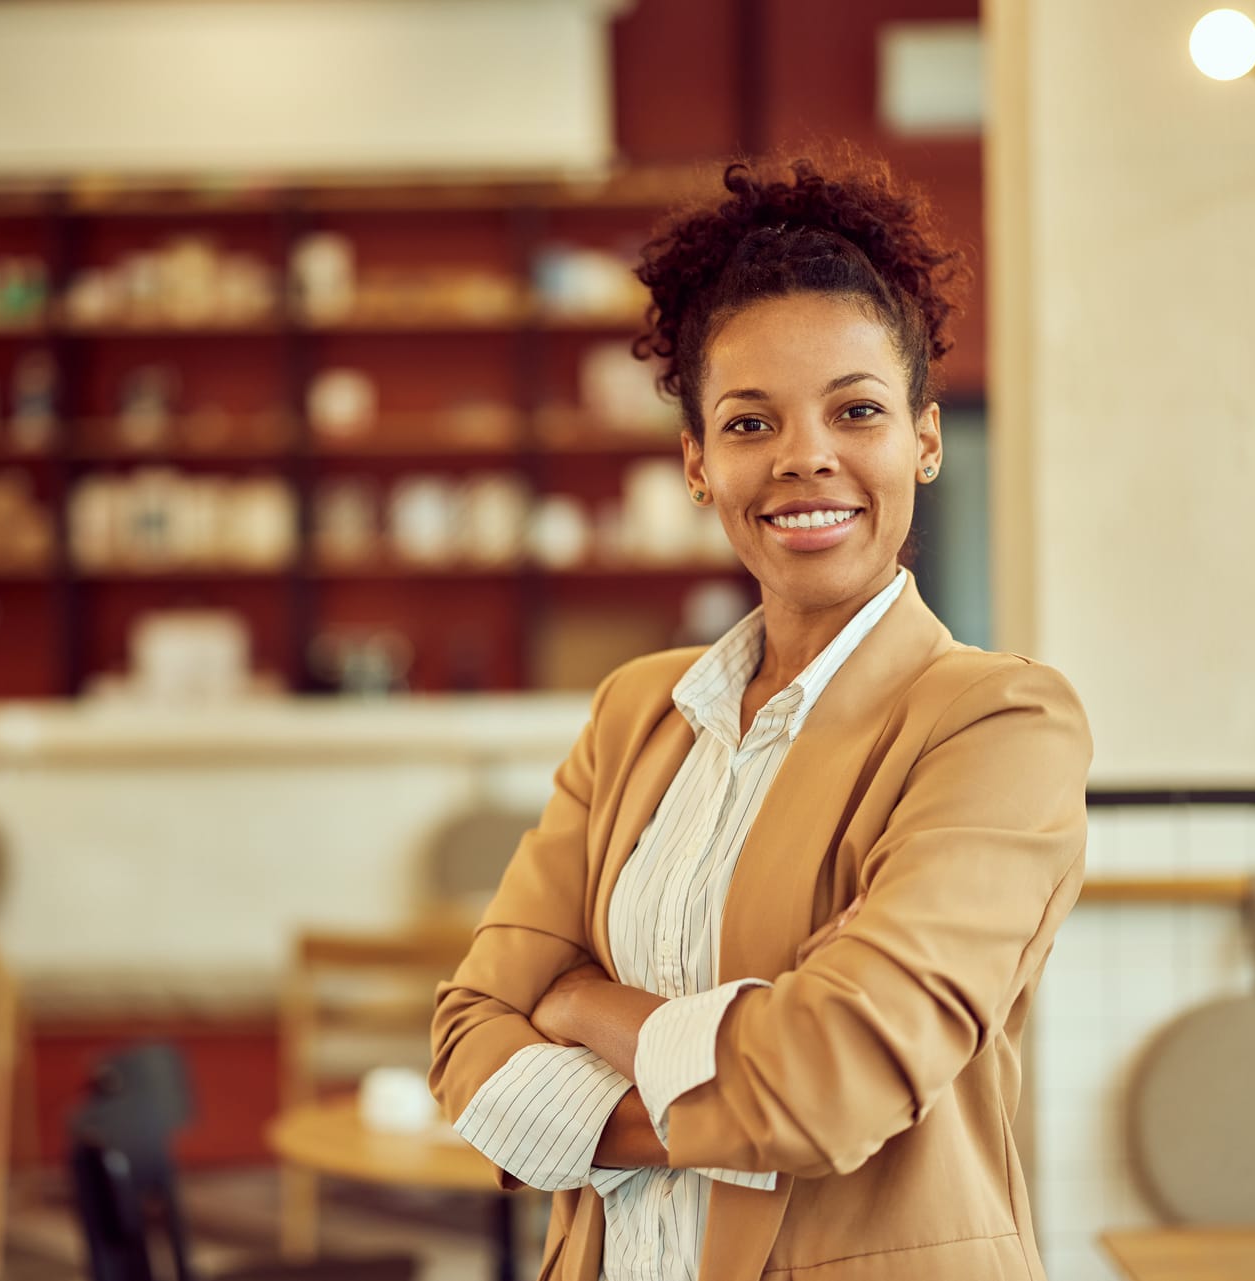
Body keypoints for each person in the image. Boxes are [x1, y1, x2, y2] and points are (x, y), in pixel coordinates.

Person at [428, 152, 1092, 1281]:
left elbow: (830, 1081)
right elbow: (468, 1037)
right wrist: (729, 1097)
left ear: (924, 440)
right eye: (749, 424)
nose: (805, 457)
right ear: (696, 462)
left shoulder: (998, 725)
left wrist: (584, 1007)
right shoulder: (636, 714)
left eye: (858, 410)